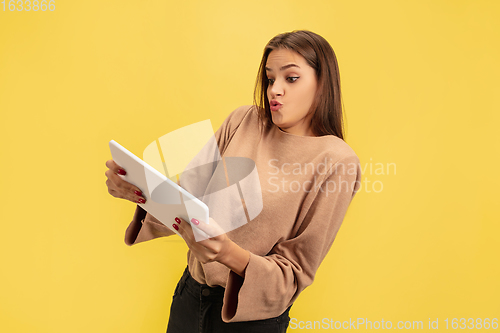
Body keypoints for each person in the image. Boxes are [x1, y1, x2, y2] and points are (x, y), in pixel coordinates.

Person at [105, 30, 362, 333]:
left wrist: (227, 253)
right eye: (270, 79)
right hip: (189, 298)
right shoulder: (243, 120)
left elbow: (296, 273)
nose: (275, 90)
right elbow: (188, 196)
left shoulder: (337, 161)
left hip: (250, 321)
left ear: (322, 84)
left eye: (290, 79)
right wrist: (139, 191)